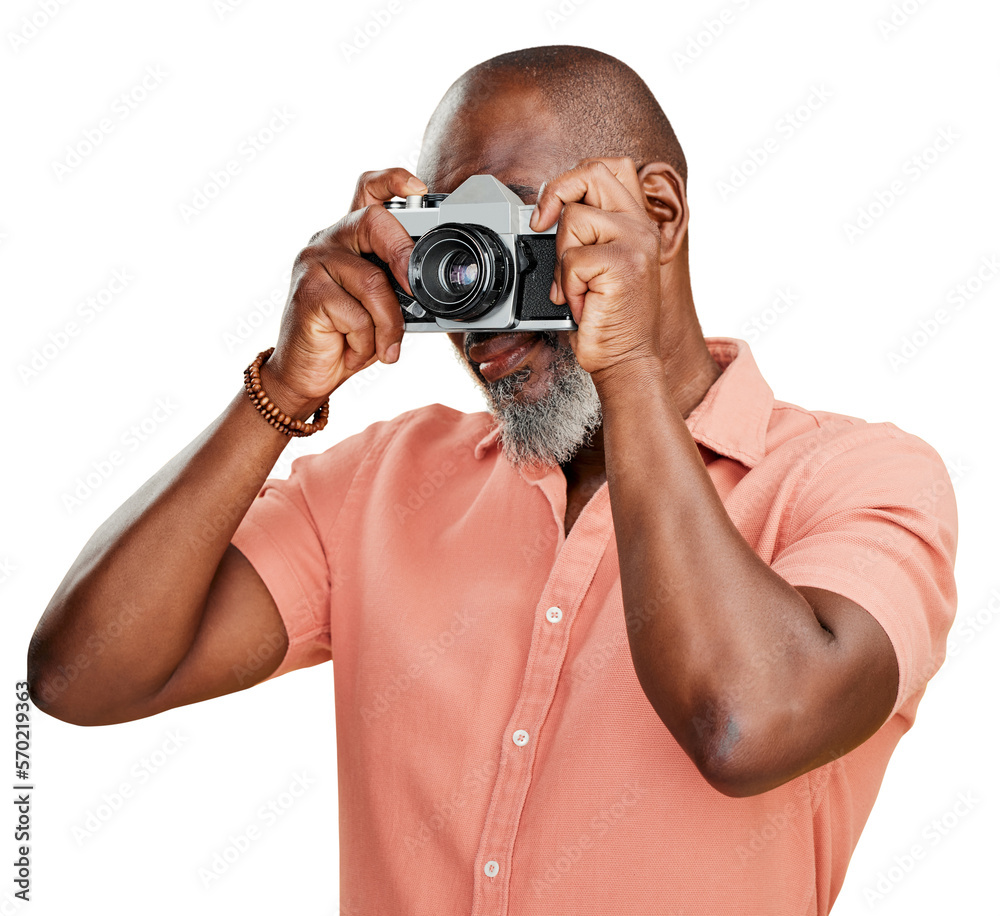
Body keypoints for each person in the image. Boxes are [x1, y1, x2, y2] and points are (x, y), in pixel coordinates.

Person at [28, 45, 957, 915]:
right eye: (451, 245)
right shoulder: (381, 480)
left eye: (516, 229)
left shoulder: (858, 479)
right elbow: (81, 675)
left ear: (659, 216)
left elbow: (746, 726)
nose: (480, 301)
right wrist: (282, 387)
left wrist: (624, 360)